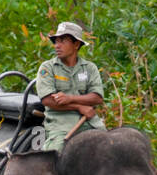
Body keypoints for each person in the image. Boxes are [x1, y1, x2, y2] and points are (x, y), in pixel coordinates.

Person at [35, 22, 106, 151]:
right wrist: (79, 107)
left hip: (90, 122)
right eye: (56, 41)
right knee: (57, 154)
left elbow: (97, 98)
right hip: (61, 125)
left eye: (63, 41)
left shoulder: (90, 68)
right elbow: (47, 100)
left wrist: (70, 98)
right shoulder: (47, 68)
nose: (57, 45)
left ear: (76, 44)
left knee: (111, 147)